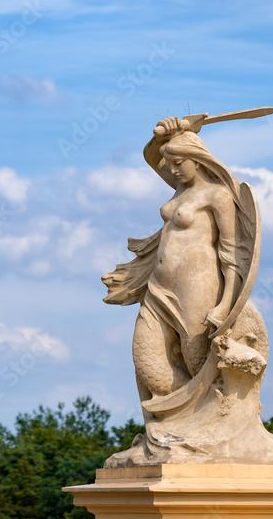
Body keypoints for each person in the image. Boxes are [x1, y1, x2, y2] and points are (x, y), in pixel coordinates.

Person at [102, 116, 257, 411]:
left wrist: (224, 306)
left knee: (199, 363)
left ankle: (215, 419)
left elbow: (231, 254)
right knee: (148, 363)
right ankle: (173, 425)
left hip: (196, 289)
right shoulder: (181, 187)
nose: (172, 170)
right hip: (158, 287)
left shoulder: (218, 195)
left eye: (178, 163)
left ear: (196, 159)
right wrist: (162, 135)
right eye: (170, 164)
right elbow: (150, 157)